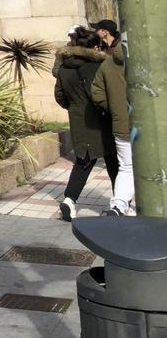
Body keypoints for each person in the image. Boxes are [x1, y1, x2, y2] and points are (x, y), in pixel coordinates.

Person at [53, 25, 116, 221]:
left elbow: (59, 96)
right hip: (103, 122)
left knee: (83, 161)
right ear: (94, 47)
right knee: (113, 161)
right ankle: (120, 203)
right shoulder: (100, 67)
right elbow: (106, 95)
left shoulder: (64, 69)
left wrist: (74, 108)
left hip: (79, 121)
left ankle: (69, 201)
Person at [90, 18, 135, 216]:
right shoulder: (152, 61)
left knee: (126, 167)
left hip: (122, 124)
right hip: (154, 127)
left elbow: (96, 92)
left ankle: (118, 205)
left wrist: (116, 109)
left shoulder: (108, 63)